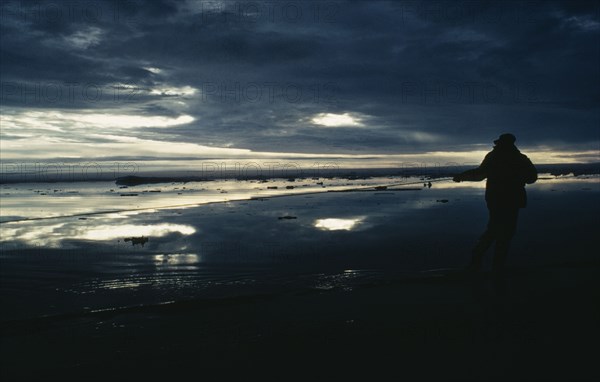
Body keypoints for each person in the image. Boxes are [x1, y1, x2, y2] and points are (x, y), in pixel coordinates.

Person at [453, 133, 537, 272]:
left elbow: (480, 174)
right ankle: (496, 266)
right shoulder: (520, 158)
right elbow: (532, 177)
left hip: (496, 199)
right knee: (505, 233)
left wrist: (461, 176)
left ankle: (478, 261)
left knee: (494, 230)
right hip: (512, 200)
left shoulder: (493, 157)